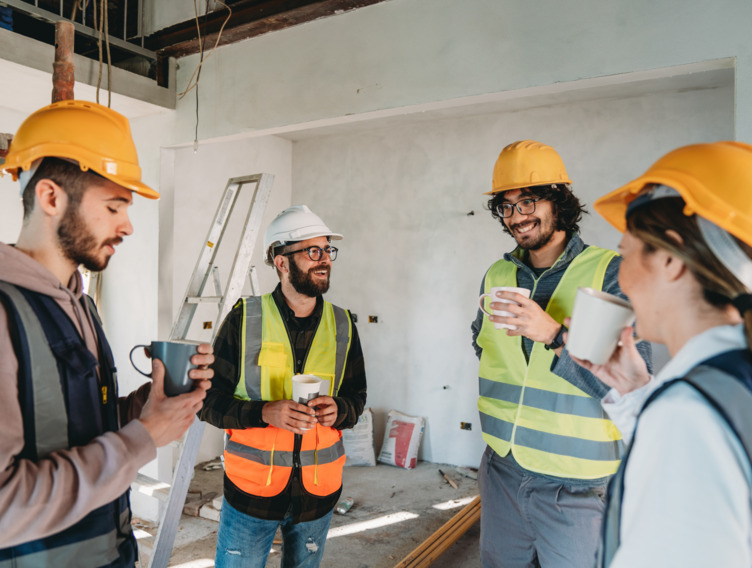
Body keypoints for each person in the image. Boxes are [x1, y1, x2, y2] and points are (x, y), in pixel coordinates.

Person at [0, 100, 214, 567]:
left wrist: (149, 406)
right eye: (114, 206)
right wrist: (143, 439)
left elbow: (75, 430)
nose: (128, 225)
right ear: (51, 198)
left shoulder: (79, 302)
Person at [566, 142, 752, 567]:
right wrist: (634, 390)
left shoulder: (690, 415)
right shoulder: (727, 381)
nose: (622, 277)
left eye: (624, 254)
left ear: (670, 258)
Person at [470, 140, 652, 568]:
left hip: (577, 487)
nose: (517, 217)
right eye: (507, 207)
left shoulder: (608, 272)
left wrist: (553, 334)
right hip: (502, 471)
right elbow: (480, 342)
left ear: (560, 201)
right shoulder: (497, 273)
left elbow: (629, 383)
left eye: (528, 201)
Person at [199, 205, 367, 568]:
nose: (324, 260)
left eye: (327, 250)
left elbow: (357, 398)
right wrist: (264, 412)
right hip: (251, 495)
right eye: (312, 251)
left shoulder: (343, 325)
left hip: (318, 497)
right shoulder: (245, 319)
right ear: (280, 260)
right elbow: (207, 401)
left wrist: (341, 409)